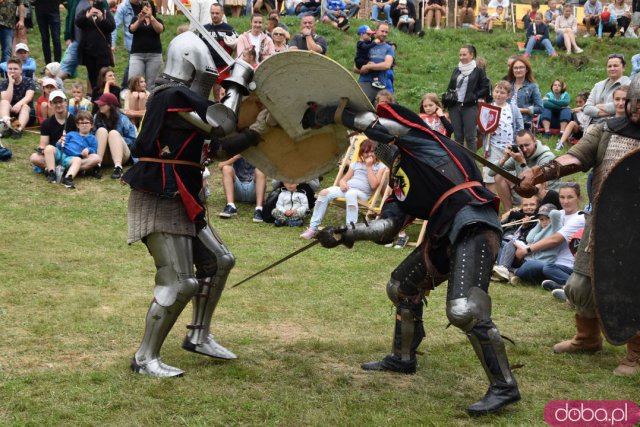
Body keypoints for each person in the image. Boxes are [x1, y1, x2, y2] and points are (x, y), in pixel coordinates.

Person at [301, 99, 521, 415]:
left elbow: (382, 123)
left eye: (376, 141)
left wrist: (326, 114)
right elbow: (389, 226)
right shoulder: (401, 183)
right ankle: (402, 357)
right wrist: (345, 234)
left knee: (464, 309)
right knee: (401, 286)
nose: (375, 146)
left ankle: (504, 386)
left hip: (472, 221)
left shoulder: (421, 142)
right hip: (443, 233)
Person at [122, 30, 259, 377]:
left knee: (219, 260)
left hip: (183, 193)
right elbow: (223, 123)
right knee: (180, 282)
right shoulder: (171, 95)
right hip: (162, 193)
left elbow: (221, 143)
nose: (210, 82)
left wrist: (260, 130)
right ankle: (144, 358)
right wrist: (238, 83)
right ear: (190, 66)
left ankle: (198, 336)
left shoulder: (182, 103)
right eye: (207, 75)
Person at [519, 76, 640, 376]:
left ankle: (635, 354)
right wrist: (541, 171)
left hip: (637, 229)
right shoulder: (606, 129)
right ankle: (587, 338)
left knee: (633, 290)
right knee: (580, 285)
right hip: (601, 221)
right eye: (636, 102)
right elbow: (576, 157)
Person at [300, 138, 386, 239]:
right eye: (365, 152)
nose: (368, 155)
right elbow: (344, 179)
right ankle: (312, 228)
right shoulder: (356, 164)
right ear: (361, 153)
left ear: (376, 152)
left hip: (361, 195)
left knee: (351, 194)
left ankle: (350, 231)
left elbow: (374, 185)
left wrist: (369, 167)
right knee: (324, 192)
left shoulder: (381, 167)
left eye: (371, 151)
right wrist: (342, 183)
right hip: (347, 190)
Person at [510, 182, 584, 287]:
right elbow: (539, 232)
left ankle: (512, 272)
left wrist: (527, 250)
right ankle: (507, 268)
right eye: (562, 197)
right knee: (506, 245)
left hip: (561, 265)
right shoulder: (559, 213)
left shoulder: (579, 218)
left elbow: (555, 239)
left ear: (578, 198)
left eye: (570, 197)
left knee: (535, 266)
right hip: (544, 259)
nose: (565, 201)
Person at [493, 202, 561, 282]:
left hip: (539, 261)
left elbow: (555, 214)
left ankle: (509, 272)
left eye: (547, 218)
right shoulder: (540, 228)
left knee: (530, 264)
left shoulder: (556, 228)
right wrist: (539, 223)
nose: (544, 221)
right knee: (507, 243)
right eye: (542, 219)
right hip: (528, 258)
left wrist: (545, 211)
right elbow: (530, 239)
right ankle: (504, 269)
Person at [491, 130, 557, 211]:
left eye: (527, 145)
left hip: (546, 197)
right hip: (527, 193)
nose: (524, 149)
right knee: (499, 176)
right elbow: (491, 173)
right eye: (521, 146)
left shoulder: (547, 157)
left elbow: (535, 183)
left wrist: (522, 162)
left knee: (537, 185)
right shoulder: (520, 154)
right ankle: (509, 213)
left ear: (535, 142)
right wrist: (504, 158)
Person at [446, 44, 491, 151]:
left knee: (470, 137)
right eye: (460, 55)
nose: (461, 57)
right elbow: (451, 86)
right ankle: (459, 162)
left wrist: (474, 96)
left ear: (472, 55)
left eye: (464, 54)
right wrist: (447, 99)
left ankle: (472, 163)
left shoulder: (479, 70)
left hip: (469, 106)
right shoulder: (457, 69)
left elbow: (485, 87)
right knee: (458, 137)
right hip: (454, 106)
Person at [484, 81, 524, 193]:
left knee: (510, 174)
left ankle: (511, 197)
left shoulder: (513, 109)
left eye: (502, 92)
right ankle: (492, 199)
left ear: (508, 95)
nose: (498, 94)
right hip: (493, 146)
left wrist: (517, 144)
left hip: (510, 147)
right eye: (496, 91)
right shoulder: (488, 108)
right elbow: (481, 128)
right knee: (490, 174)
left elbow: (520, 127)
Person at [44, 110, 101, 188]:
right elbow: (59, 146)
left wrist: (88, 150)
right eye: (81, 123)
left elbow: (94, 150)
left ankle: (68, 178)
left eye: (87, 123)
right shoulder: (71, 134)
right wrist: (60, 142)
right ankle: (51, 173)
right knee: (48, 148)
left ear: (91, 125)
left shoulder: (93, 138)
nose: (84, 125)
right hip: (62, 154)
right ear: (77, 125)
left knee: (78, 160)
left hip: (72, 159)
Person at [30, 90, 78, 173]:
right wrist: (42, 150)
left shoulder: (75, 120)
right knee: (34, 157)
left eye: (60, 102)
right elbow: (43, 145)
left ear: (66, 102)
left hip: (70, 155)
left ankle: (53, 168)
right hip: (52, 154)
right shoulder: (46, 123)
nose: (58, 105)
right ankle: (58, 169)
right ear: (51, 104)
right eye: (55, 103)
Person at [93, 92, 137, 179]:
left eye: (102, 104)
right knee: (102, 131)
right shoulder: (96, 117)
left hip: (121, 155)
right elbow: (91, 137)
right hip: (103, 155)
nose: (99, 106)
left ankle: (118, 167)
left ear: (110, 105)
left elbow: (132, 140)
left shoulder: (123, 119)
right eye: (99, 104)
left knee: (113, 133)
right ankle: (97, 165)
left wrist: (114, 139)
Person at [75, 0, 116, 89]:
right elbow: (78, 22)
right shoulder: (85, 11)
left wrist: (101, 18)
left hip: (103, 53)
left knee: (103, 76)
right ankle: (95, 96)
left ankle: (104, 95)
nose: (94, 2)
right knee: (92, 76)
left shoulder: (106, 12)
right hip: (89, 52)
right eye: (93, 1)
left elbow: (112, 26)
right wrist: (87, 16)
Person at [203, 3, 238, 101]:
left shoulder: (229, 30)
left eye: (217, 13)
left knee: (219, 94)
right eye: (212, 13)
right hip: (206, 66)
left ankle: (218, 113)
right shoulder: (204, 29)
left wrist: (233, 60)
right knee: (202, 93)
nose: (214, 15)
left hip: (222, 67)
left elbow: (238, 47)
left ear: (222, 13)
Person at [583, 54, 630, 124]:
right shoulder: (598, 85)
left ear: (623, 68)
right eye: (609, 66)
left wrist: (599, 106)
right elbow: (586, 108)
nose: (612, 68)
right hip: (591, 124)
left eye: (615, 66)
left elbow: (626, 105)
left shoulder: (629, 84)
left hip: (615, 124)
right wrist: (607, 111)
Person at [128, 0, 164, 90]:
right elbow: (132, 29)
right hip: (137, 55)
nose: (146, 9)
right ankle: (135, 101)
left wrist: (151, 17)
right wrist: (139, 20)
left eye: (149, 7)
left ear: (152, 8)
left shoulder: (157, 20)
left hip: (154, 56)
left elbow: (159, 29)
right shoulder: (135, 19)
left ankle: (149, 103)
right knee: (134, 81)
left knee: (151, 84)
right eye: (144, 7)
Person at [218, 156, 267, 222]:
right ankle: (230, 205)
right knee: (226, 168)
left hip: (254, 189)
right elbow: (220, 165)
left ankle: (259, 209)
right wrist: (236, 157)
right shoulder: (236, 149)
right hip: (238, 188)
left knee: (261, 170)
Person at [355, 22, 395, 102]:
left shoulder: (389, 48)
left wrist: (369, 66)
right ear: (376, 31)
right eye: (382, 31)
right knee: (360, 108)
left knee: (380, 112)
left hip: (381, 85)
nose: (384, 34)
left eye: (386, 32)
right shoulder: (366, 45)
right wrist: (362, 69)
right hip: (365, 82)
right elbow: (355, 67)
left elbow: (387, 65)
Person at [0, 58, 36, 138]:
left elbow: (29, 97)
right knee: (3, 103)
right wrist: (11, 84)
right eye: (10, 69)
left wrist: (19, 104)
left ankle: (17, 130)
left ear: (21, 70)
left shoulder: (29, 81)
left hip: (26, 115)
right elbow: (6, 100)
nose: (12, 71)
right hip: (10, 115)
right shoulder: (4, 83)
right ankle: (7, 127)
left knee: (25, 106)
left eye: (15, 69)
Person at [507, 56, 543, 131]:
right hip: (507, 122)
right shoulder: (508, 85)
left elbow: (540, 108)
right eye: (515, 68)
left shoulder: (533, 86)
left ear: (526, 69)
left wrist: (520, 110)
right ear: (512, 70)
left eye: (521, 67)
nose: (518, 70)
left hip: (524, 123)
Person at [111, 0, 139, 88]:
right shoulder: (123, 7)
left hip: (145, 40)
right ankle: (125, 87)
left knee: (135, 65)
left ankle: (134, 87)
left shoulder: (145, 4)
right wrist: (112, 43)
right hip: (132, 41)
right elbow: (114, 25)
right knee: (132, 64)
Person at [354, 25, 386, 90]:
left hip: (363, 60)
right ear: (362, 34)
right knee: (373, 65)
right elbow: (367, 47)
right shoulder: (360, 43)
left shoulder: (367, 41)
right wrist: (374, 43)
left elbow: (370, 42)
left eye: (370, 34)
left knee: (372, 67)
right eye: (368, 34)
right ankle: (375, 81)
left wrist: (374, 36)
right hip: (360, 60)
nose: (370, 36)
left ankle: (375, 81)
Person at [35, 0, 62, 65]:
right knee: (45, 39)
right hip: (40, 11)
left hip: (54, 10)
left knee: (56, 39)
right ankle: (48, 65)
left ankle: (57, 65)